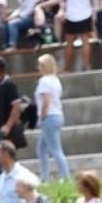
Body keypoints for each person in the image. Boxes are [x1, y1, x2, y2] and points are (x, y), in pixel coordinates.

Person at [0, 56, 26, 185]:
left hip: (4, 131)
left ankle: (9, 185)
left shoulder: (9, 85)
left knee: (4, 160)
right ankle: (2, 186)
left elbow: (16, 106)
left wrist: (8, 125)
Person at [32, 54, 72, 182]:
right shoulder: (55, 80)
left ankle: (66, 177)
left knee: (55, 150)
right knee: (41, 148)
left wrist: (41, 117)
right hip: (57, 115)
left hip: (49, 116)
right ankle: (44, 177)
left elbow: (46, 101)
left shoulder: (44, 81)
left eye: (40, 65)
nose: (38, 68)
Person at [59, 0, 95, 73]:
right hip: (85, 14)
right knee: (85, 42)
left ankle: (66, 67)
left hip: (71, 16)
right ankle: (85, 65)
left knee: (69, 43)